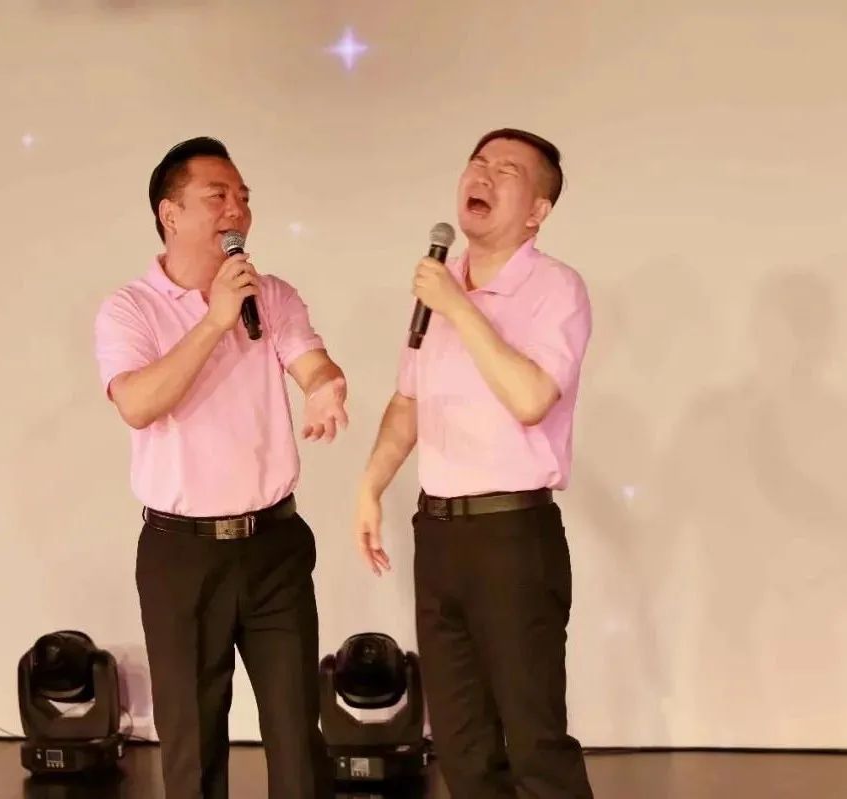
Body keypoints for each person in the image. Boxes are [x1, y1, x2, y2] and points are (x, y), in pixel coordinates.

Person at [94, 136, 346, 799]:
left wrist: (325, 385)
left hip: (274, 545)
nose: (237, 209)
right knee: (193, 743)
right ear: (170, 213)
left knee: (298, 735)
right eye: (218, 196)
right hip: (182, 554)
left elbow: (312, 362)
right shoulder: (130, 308)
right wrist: (212, 322)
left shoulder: (271, 296)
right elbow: (137, 404)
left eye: (243, 197)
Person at [354, 128, 594, 798]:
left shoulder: (555, 288)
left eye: (506, 170)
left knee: (534, 741)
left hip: (511, 535)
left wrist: (458, 307)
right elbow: (408, 401)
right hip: (437, 534)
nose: (482, 176)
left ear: (537, 210)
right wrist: (371, 485)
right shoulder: (440, 285)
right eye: (477, 163)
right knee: (461, 745)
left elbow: (530, 398)